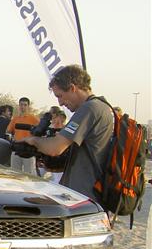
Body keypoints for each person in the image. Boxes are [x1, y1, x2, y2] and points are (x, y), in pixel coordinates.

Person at [23, 65, 113, 201]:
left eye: (60, 96)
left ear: (72, 88)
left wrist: (32, 141)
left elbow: (55, 148)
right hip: (88, 191)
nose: (60, 103)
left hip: (83, 194)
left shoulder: (90, 108)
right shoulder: (102, 106)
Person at [7, 96, 40, 173]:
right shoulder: (15, 119)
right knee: (15, 172)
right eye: (21, 105)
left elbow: (40, 132)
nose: (23, 107)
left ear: (28, 106)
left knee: (29, 173)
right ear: (19, 106)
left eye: (25, 105)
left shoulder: (34, 119)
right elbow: (8, 130)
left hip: (28, 149)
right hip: (17, 148)